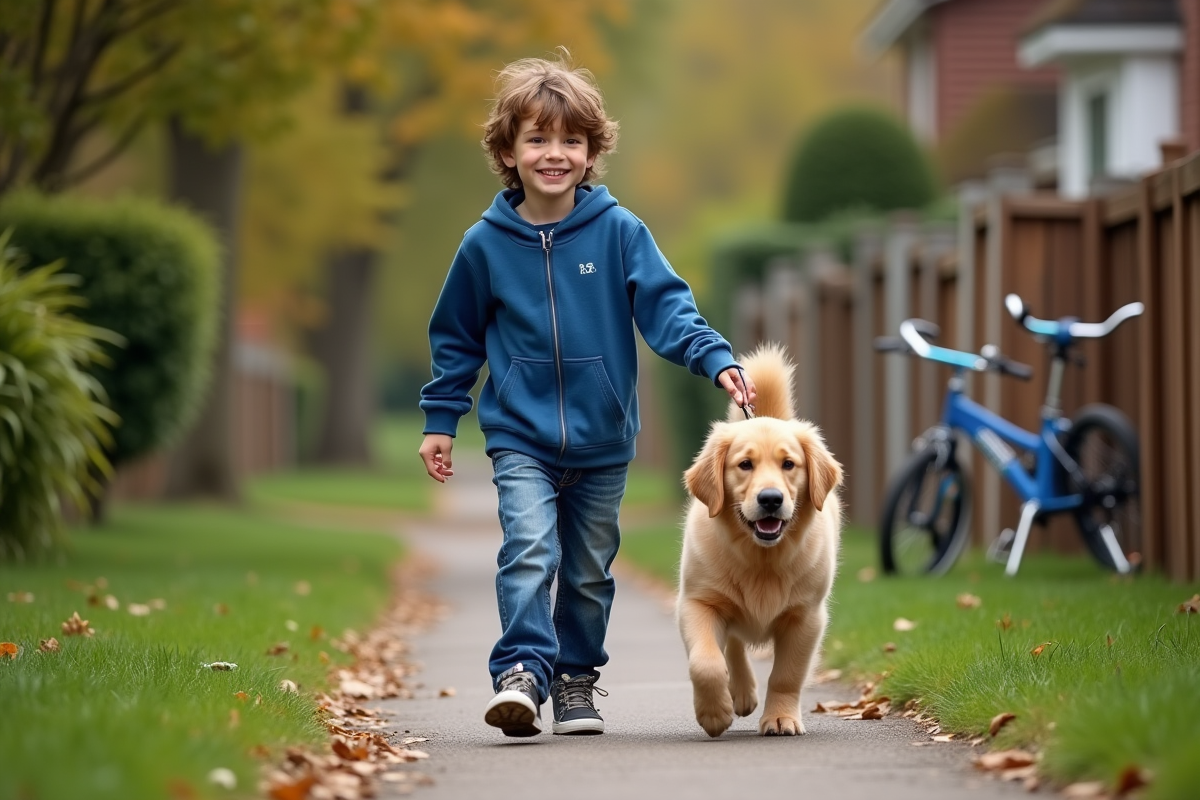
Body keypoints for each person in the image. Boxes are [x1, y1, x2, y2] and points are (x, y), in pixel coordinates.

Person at [418, 49, 756, 738]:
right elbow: (456, 339)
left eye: (571, 140)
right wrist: (441, 419)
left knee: (587, 571)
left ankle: (575, 681)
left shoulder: (620, 232)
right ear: (508, 151)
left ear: (592, 150)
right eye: (537, 138)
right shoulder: (483, 246)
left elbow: (668, 309)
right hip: (520, 436)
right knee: (529, 549)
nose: (555, 154)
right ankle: (521, 674)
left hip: (603, 439)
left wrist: (713, 357)